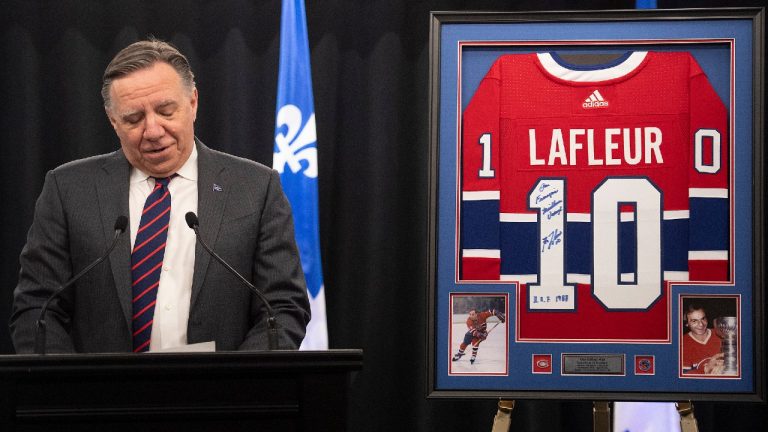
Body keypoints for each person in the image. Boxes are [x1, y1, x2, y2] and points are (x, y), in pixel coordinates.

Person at [9, 39, 310, 353]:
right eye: (133, 119)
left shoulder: (255, 188)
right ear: (113, 121)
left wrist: (233, 384)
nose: (153, 130)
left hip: (221, 395)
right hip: (100, 396)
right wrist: (74, 391)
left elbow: (282, 308)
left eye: (166, 111)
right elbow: (37, 309)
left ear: (192, 102)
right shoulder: (68, 189)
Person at [681, 303, 725, 374]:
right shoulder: (682, 343)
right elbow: (684, 376)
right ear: (687, 324)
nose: (701, 324)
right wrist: (706, 369)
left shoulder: (720, 334)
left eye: (703, 318)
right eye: (694, 321)